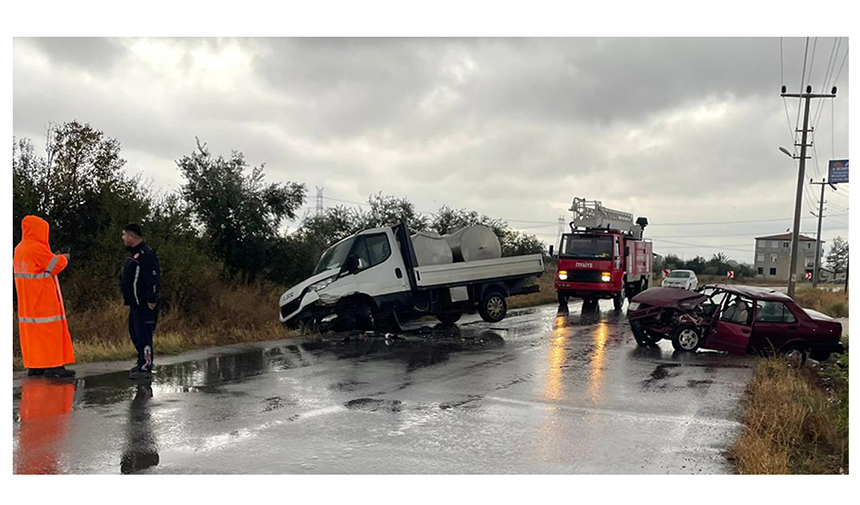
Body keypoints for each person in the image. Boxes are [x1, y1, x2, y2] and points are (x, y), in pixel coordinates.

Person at [13, 216, 75, 378]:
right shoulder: (36, 248)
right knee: (50, 332)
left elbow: (40, 265)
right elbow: (53, 266)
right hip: (42, 299)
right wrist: (64, 258)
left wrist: (52, 256)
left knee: (32, 334)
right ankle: (54, 365)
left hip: (27, 300)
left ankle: (35, 365)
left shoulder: (20, 248)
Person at [120, 223, 160, 381]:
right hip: (134, 303)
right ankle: (141, 360)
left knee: (144, 335)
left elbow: (153, 277)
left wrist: (152, 298)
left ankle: (146, 366)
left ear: (131, 236)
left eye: (124, 234)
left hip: (145, 303)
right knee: (135, 333)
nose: (122, 238)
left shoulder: (146, 254)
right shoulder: (133, 254)